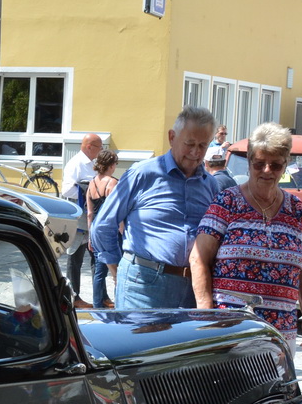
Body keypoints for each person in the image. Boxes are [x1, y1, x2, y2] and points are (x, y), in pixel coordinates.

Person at [190, 122, 302, 347]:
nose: (267, 171)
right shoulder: (227, 202)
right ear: (249, 162)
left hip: (280, 334)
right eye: (259, 164)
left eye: (276, 165)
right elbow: (198, 257)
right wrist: (206, 314)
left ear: (285, 164)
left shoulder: (295, 209)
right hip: (231, 331)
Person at [90, 106, 217, 309]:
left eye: (203, 145)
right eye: (190, 143)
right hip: (142, 286)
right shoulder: (143, 174)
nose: (195, 152)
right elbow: (103, 226)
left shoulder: (210, 184)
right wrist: (117, 270)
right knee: (137, 341)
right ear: (172, 137)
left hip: (192, 291)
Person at [85, 148, 120, 307]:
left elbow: (90, 214)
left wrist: (90, 237)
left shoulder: (91, 183)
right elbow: (116, 211)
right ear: (111, 164)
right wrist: (124, 233)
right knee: (118, 271)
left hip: (95, 231)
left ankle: (97, 306)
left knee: (99, 271)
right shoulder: (112, 182)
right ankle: (120, 305)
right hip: (109, 230)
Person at [59, 133, 103, 208]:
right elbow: (67, 191)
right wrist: (91, 193)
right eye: (100, 147)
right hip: (81, 209)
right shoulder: (76, 163)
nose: (102, 150)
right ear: (89, 147)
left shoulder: (91, 162)